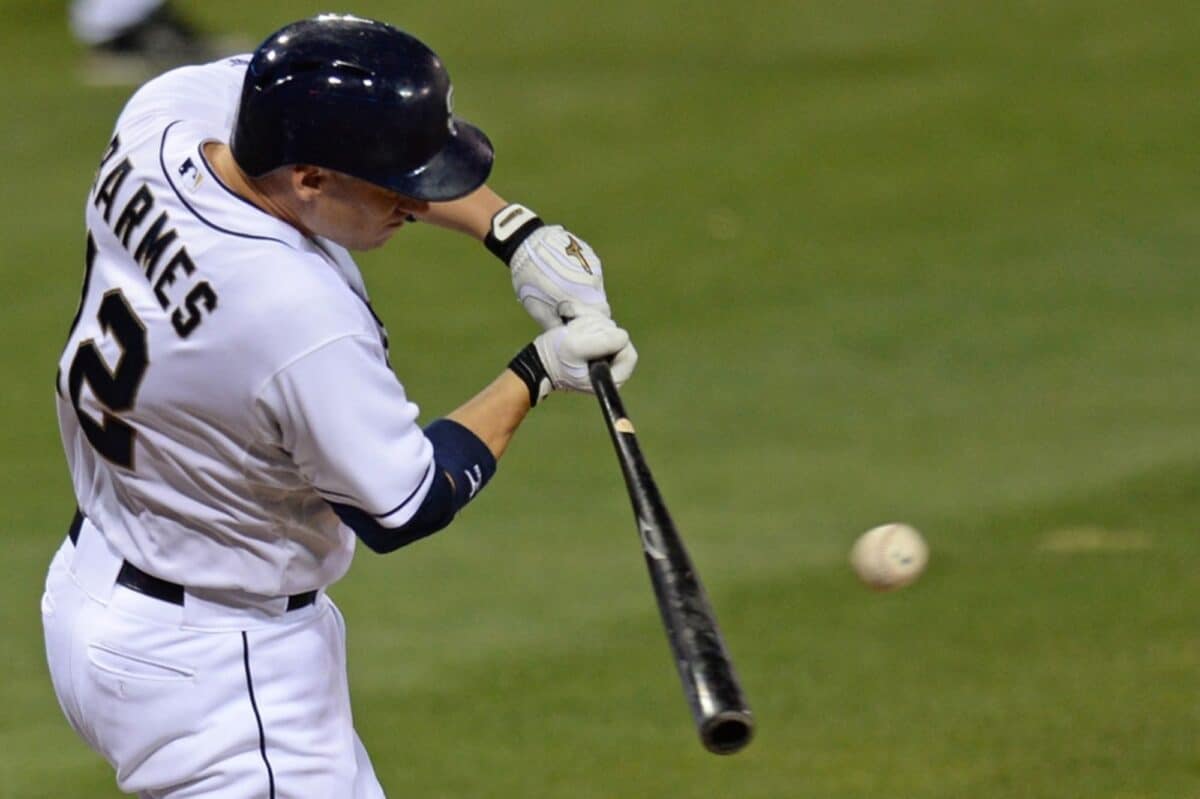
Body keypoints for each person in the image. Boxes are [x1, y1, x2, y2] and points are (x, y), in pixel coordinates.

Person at [42, 13, 636, 798]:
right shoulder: (296, 316)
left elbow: (275, 92)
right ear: (310, 179)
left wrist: (511, 231)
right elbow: (406, 504)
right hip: (220, 670)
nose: (415, 203)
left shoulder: (162, 120)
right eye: (395, 185)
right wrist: (539, 370)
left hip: (99, 580)